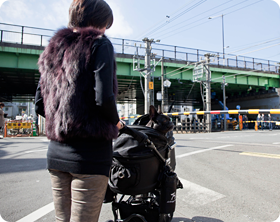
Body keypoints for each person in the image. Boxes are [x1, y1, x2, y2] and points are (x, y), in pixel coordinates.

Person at [35, 1, 124, 221]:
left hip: (56, 155)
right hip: (90, 156)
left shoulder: (52, 48)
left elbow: (39, 102)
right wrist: (116, 122)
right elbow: (104, 98)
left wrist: (64, 120)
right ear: (97, 22)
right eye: (105, 25)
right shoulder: (99, 44)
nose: (104, 31)